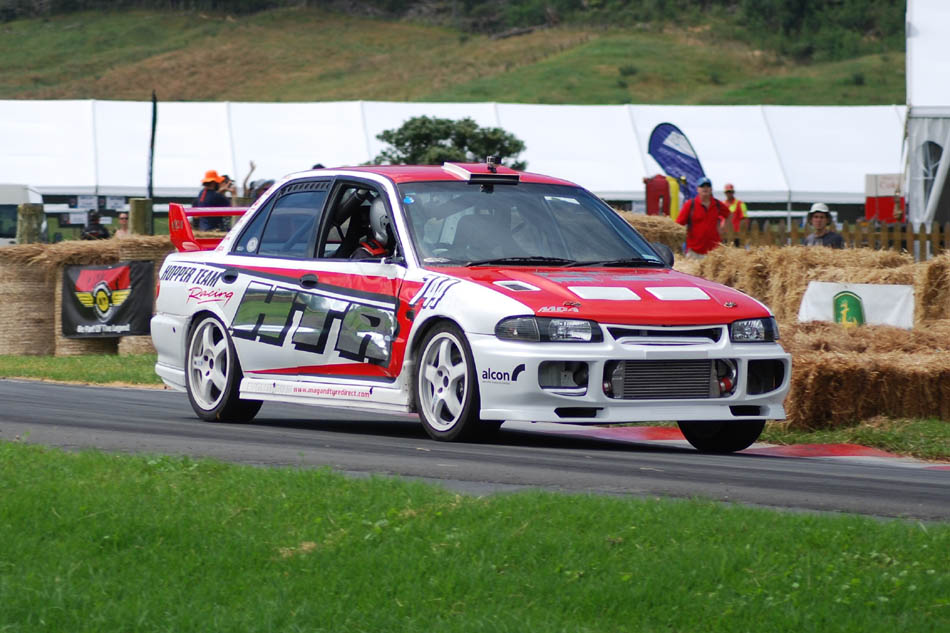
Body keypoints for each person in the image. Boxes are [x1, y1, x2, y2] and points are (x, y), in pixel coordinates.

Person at [675, 176, 729, 257]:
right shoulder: (690, 204)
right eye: (702, 186)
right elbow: (678, 224)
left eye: (708, 186)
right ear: (697, 189)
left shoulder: (717, 204)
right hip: (694, 251)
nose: (705, 188)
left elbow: (729, 214)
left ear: (711, 189)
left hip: (714, 252)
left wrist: (723, 227)